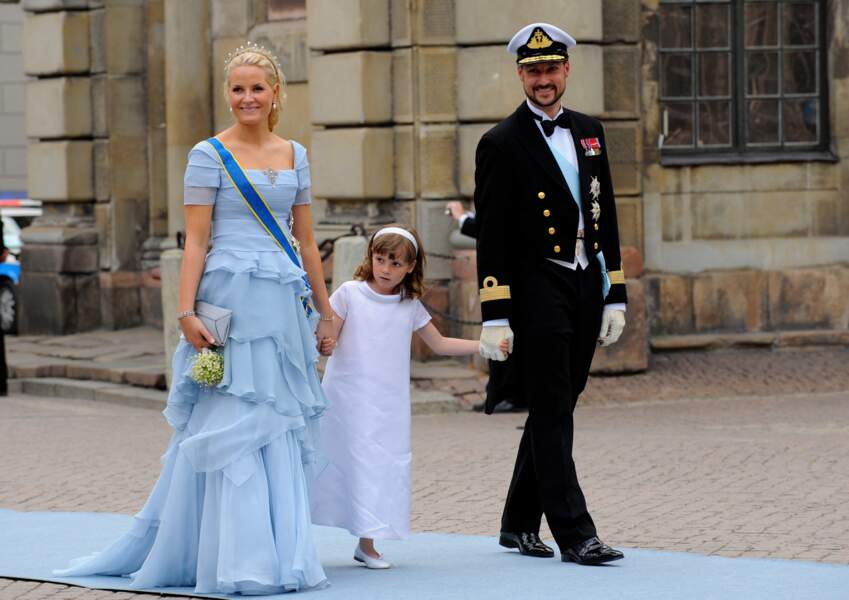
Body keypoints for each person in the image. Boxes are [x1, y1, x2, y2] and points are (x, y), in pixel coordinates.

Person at [55, 42, 334, 593]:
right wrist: (185, 312)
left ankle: (280, 556)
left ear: (276, 93)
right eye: (237, 88)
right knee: (233, 417)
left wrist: (325, 314)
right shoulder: (207, 155)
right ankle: (236, 559)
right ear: (227, 95)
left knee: (276, 416)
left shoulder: (295, 155)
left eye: (257, 87)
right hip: (227, 299)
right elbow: (197, 241)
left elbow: (305, 242)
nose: (246, 97)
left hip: (281, 306)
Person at [473, 23, 628, 565]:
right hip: (538, 283)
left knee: (558, 402)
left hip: (586, 279)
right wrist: (496, 314)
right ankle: (575, 532)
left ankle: (517, 523)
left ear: (566, 70)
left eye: (551, 69)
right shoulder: (500, 142)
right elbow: (491, 235)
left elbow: (604, 212)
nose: (543, 79)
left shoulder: (589, 131)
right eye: (533, 71)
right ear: (521, 74)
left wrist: (616, 293)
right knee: (554, 408)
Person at [309, 225, 492, 569]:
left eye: (395, 264)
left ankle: (367, 543)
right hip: (347, 397)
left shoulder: (409, 304)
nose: (385, 269)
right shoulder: (350, 293)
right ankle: (301, 539)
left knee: (378, 465)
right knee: (340, 462)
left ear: (410, 267)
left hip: (387, 401)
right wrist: (325, 342)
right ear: (371, 258)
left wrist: (483, 346)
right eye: (380, 260)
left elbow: (439, 343)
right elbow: (328, 336)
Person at [446, 201, 525, 414]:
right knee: (500, 340)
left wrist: (461, 217)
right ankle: (499, 393)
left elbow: (489, 228)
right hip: (506, 279)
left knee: (507, 340)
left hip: (513, 280)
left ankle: (512, 395)